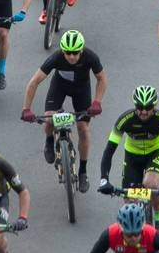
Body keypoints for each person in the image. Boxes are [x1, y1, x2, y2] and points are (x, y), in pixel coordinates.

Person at [21, 29, 107, 191]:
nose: (72, 56)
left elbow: (102, 78)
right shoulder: (56, 58)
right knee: (49, 119)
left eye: (75, 53)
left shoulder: (90, 57)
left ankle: (83, 171)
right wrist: (26, 109)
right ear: (62, 51)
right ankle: (49, 141)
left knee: (83, 128)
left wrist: (97, 102)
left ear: (81, 50)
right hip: (59, 87)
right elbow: (34, 82)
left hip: (81, 90)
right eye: (68, 53)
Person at [98, 85, 159, 233]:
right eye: (140, 107)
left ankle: (158, 218)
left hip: (155, 152)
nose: (144, 111)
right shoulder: (124, 120)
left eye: (148, 107)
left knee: (150, 184)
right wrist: (104, 179)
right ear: (134, 105)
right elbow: (109, 151)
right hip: (132, 157)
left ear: (155, 106)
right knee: (130, 200)